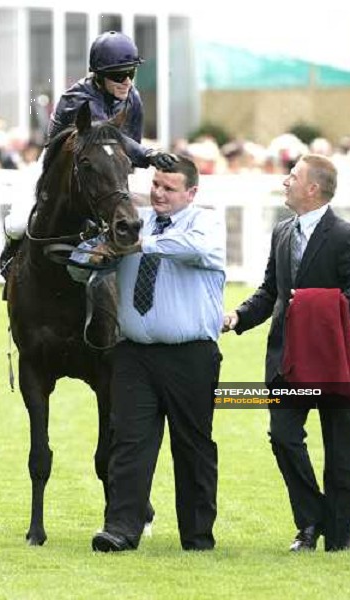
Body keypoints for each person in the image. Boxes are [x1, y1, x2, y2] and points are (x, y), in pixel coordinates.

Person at [223, 154, 350, 552]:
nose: (285, 181)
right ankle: (311, 522)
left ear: (313, 188)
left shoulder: (346, 235)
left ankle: (338, 536)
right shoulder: (282, 231)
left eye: (293, 176)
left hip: (334, 360)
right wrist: (237, 316)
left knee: (341, 451)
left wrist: (311, 306)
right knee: (283, 436)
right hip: (287, 359)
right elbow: (271, 291)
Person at [88, 155, 226, 552]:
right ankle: (120, 529)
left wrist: (136, 243)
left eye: (169, 188)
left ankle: (197, 535)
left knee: (193, 446)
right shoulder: (134, 223)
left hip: (191, 354)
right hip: (134, 354)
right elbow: (93, 265)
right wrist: (92, 256)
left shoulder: (205, 222)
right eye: (156, 185)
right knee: (128, 442)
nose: (159, 194)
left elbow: (194, 248)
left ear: (191, 192)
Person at [0, 30, 177, 279]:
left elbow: (128, 149)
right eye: (118, 75)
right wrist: (149, 153)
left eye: (131, 73)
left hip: (106, 167)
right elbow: (102, 135)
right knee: (18, 223)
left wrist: (144, 160)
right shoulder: (78, 98)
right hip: (59, 166)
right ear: (100, 75)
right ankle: (11, 256)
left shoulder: (132, 97)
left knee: (146, 214)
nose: (126, 81)